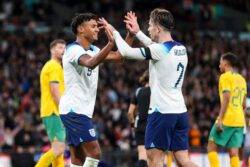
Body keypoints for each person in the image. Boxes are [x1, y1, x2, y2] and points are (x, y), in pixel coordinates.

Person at [99, 9, 197, 167]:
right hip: (180, 111)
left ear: (158, 28)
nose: (149, 28)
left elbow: (126, 52)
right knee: (183, 160)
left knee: (154, 160)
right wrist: (137, 32)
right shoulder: (180, 48)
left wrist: (114, 31)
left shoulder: (160, 50)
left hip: (162, 113)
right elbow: (154, 47)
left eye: (150, 25)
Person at [59, 13, 133, 167]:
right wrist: (110, 44)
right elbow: (91, 63)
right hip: (74, 109)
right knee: (95, 153)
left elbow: (120, 57)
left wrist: (130, 34)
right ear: (81, 29)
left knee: (78, 158)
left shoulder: (93, 49)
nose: (97, 29)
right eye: (93, 26)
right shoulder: (73, 49)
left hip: (80, 110)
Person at [207, 53, 247, 167]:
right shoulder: (242, 79)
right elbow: (244, 104)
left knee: (211, 145)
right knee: (234, 153)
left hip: (227, 118)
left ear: (225, 63)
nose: (219, 65)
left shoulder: (225, 77)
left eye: (220, 62)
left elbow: (226, 97)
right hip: (239, 121)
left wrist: (220, 119)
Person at [36, 39, 66, 167]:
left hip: (51, 111)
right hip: (54, 111)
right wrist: (63, 110)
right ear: (52, 50)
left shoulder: (53, 65)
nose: (63, 50)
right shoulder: (54, 66)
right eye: (60, 48)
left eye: (64, 48)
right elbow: (55, 91)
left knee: (58, 151)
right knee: (58, 149)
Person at [128, 70, 150, 167]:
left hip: (139, 125)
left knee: (142, 155)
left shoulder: (138, 91)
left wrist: (133, 125)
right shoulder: (157, 92)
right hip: (153, 125)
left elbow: (129, 113)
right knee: (154, 156)